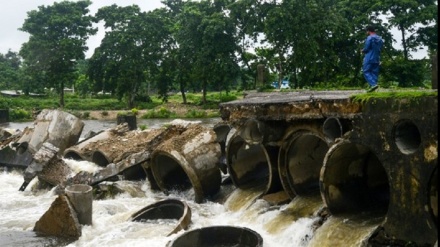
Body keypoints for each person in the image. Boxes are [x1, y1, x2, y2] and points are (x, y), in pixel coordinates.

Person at [361, 25, 383, 92]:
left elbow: (367, 48)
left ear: (368, 31)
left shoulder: (369, 38)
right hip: (377, 58)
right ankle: (374, 88)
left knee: (366, 71)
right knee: (374, 72)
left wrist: (362, 50)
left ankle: (373, 84)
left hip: (369, 57)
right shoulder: (380, 39)